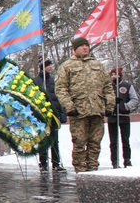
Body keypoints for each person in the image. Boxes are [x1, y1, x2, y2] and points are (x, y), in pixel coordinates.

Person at [56, 37, 115, 172]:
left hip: (97, 110)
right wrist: (69, 107)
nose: (85, 48)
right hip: (78, 111)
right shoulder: (67, 66)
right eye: (81, 46)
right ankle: (81, 171)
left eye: (86, 45)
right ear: (74, 49)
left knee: (95, 143)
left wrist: (109, 105)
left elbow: (108, 87)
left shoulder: (98, 65)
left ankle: (93, 169)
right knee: (79, 143)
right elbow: (61, 88)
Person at [33, 59, 66, 172]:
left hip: (53, 114)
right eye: (48, 65)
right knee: (43, 140)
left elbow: (59, 98)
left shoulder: (53, 80)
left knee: (54, 140)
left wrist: (62, 113)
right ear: (43, 67)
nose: (51, 67)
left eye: (51, 65)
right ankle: (43, 163)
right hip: (41, 115)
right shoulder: (35, 81)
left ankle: (56, 163)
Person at [107, 67, 138, 168]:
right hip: (112, 117)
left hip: (124, 117)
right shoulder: (108, 87)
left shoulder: (127, 86)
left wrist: (125, 106)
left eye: (116, 74)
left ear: (120, 75)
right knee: (113, 141)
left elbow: (134, 99)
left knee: (125, 139)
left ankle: (127, 160)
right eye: (112, 75)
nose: (114, 76)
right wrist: (110, 106)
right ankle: (114, 161)